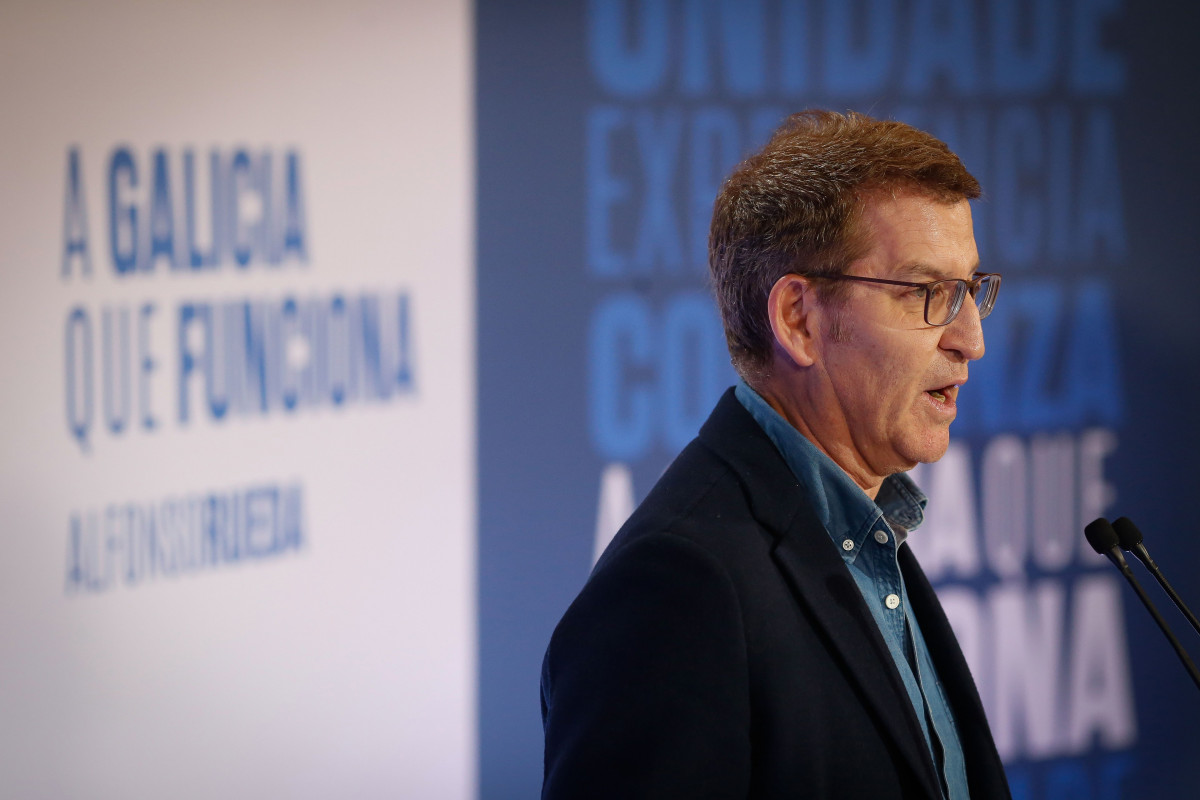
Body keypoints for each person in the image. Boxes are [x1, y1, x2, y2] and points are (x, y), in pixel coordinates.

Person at [540, 110, 1012, 799]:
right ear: (799, 319)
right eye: (927, 293)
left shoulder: (867, 531)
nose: (971, 339)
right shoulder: (676, 588)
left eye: (970, 290)